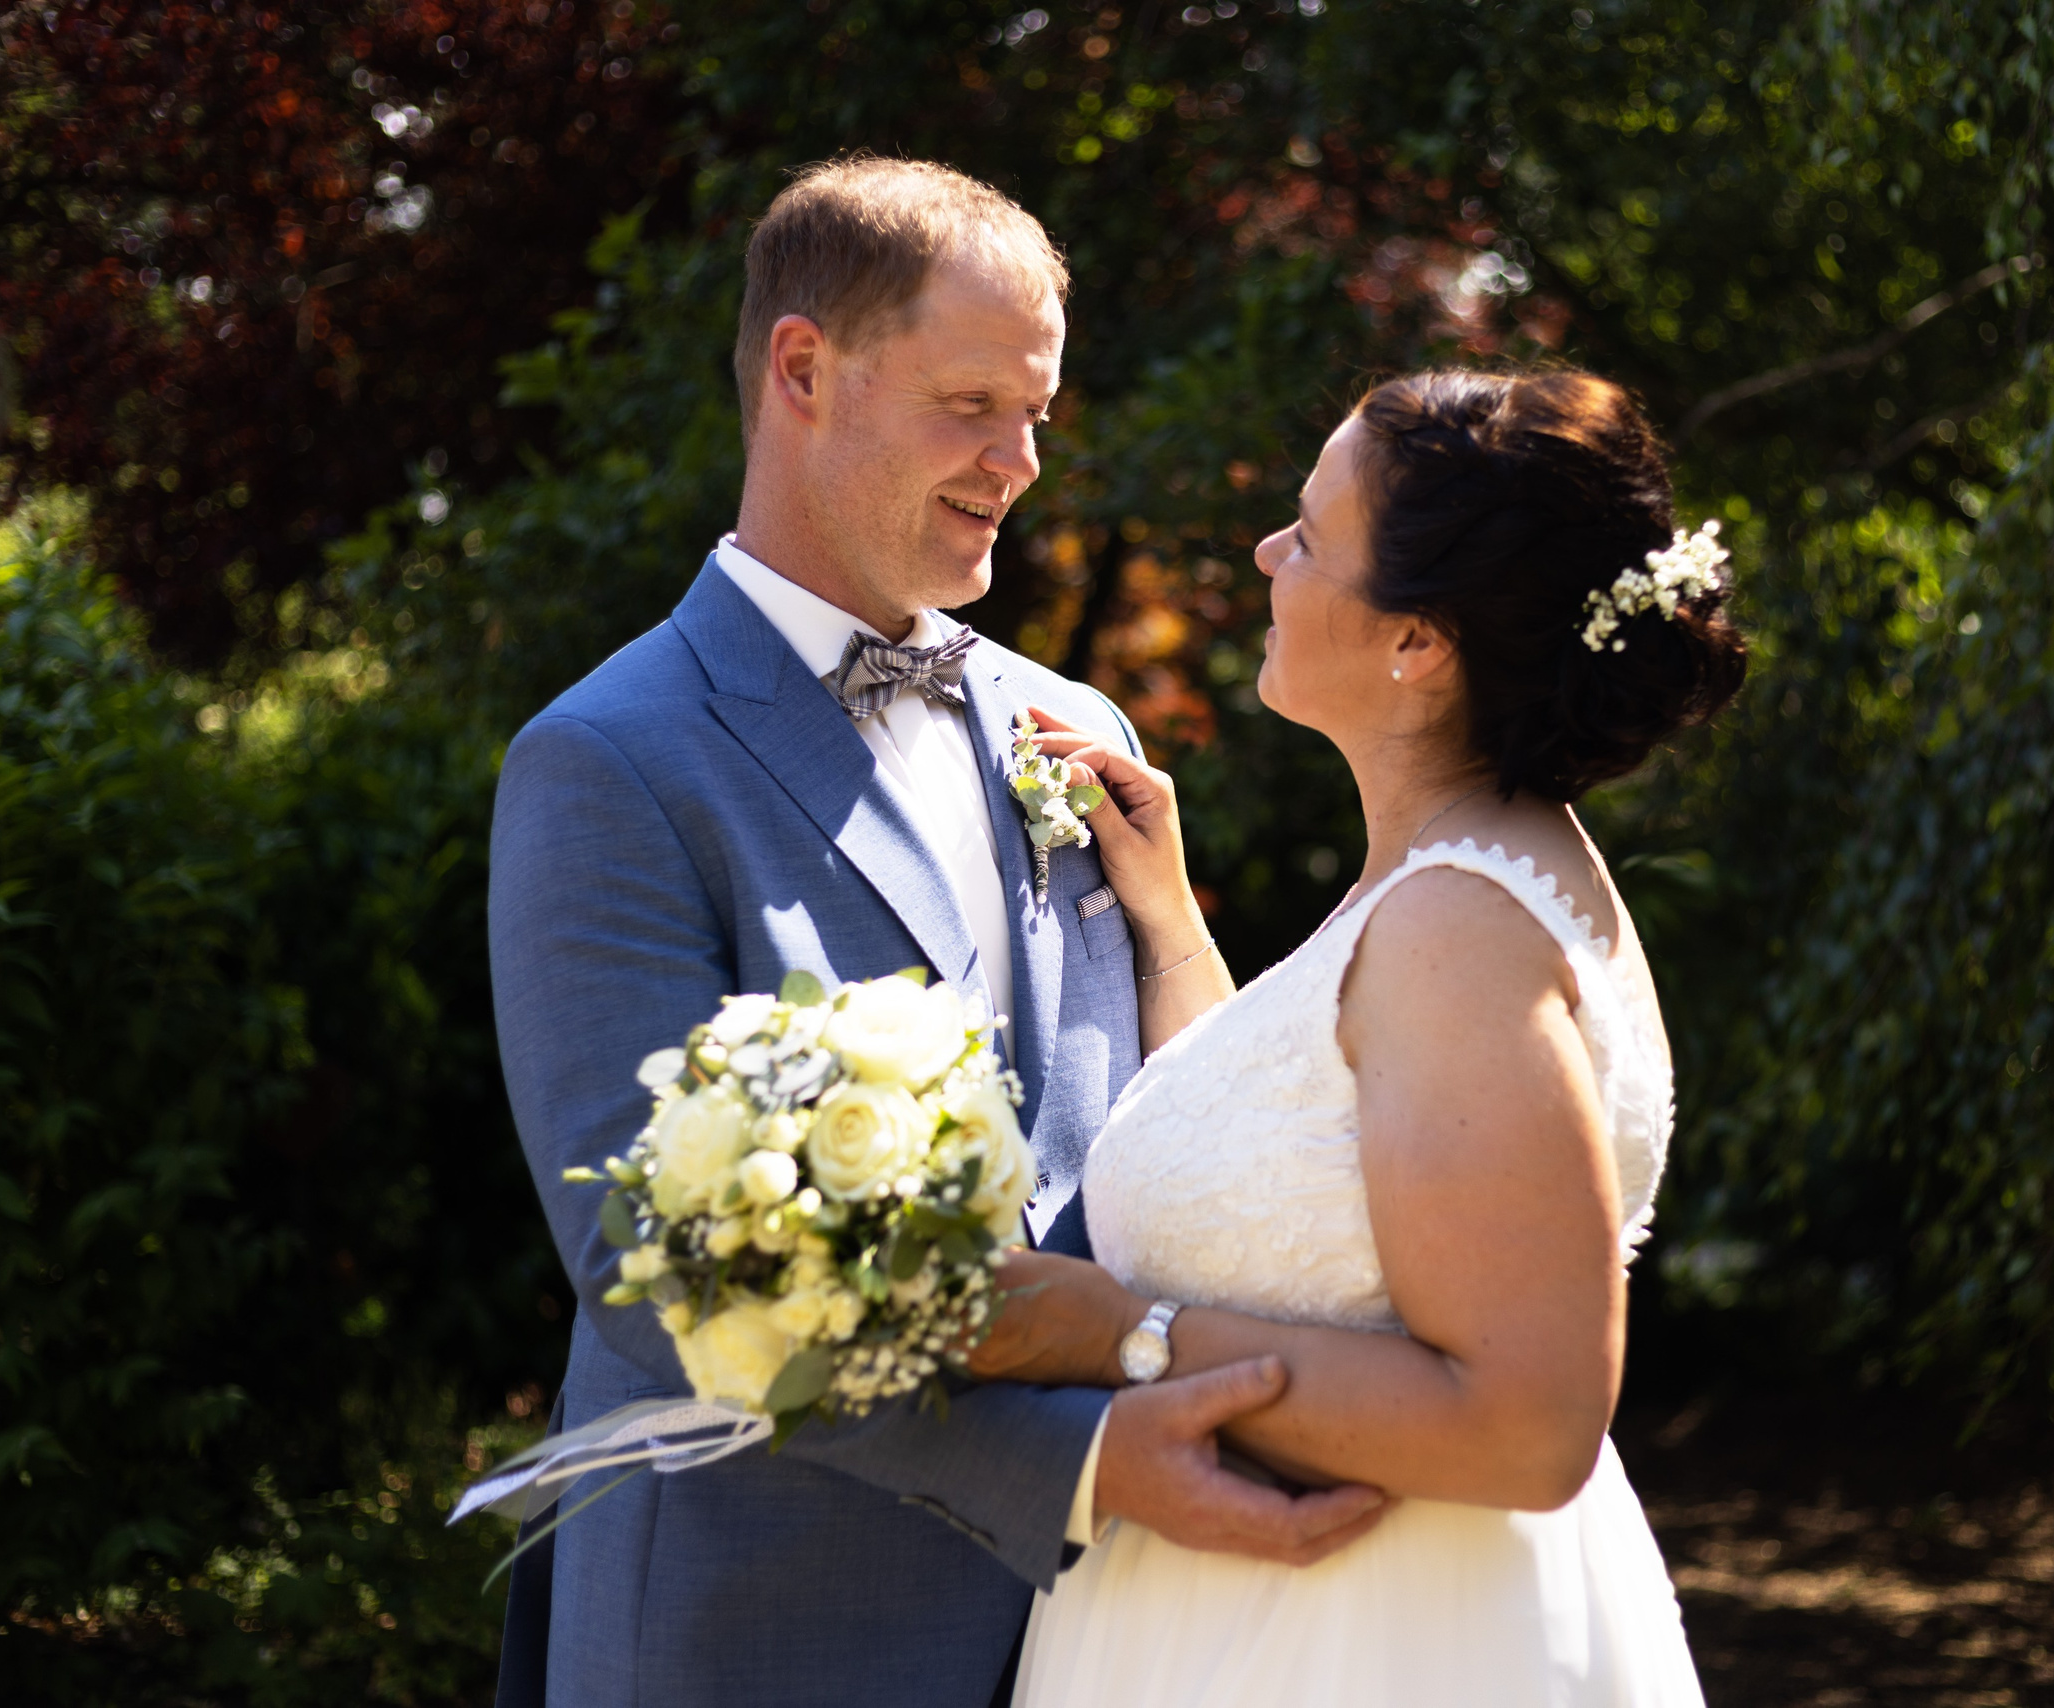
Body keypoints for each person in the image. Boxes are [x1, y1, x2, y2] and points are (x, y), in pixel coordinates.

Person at [484, 156, 1385, 1708]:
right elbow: (655, 1276)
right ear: (805, 370)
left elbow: (1179, 1119)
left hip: (1109, 1633)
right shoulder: (611, 762)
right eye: (975, 404)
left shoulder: (1070, 725)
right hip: (758, 1624)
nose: (1021, 460)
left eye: (1038, 413)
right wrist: (1087, 1463)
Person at [968, 366, 1748, 1706]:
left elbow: (1528, 1423)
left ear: (1417, 644)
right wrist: (1169, 928)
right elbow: (1304, 1179)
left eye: (1311, 536)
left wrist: (1115, 1335)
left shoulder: (1455, 930)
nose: (1270, 552)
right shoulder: (1452, 881)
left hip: (1367, 1643)